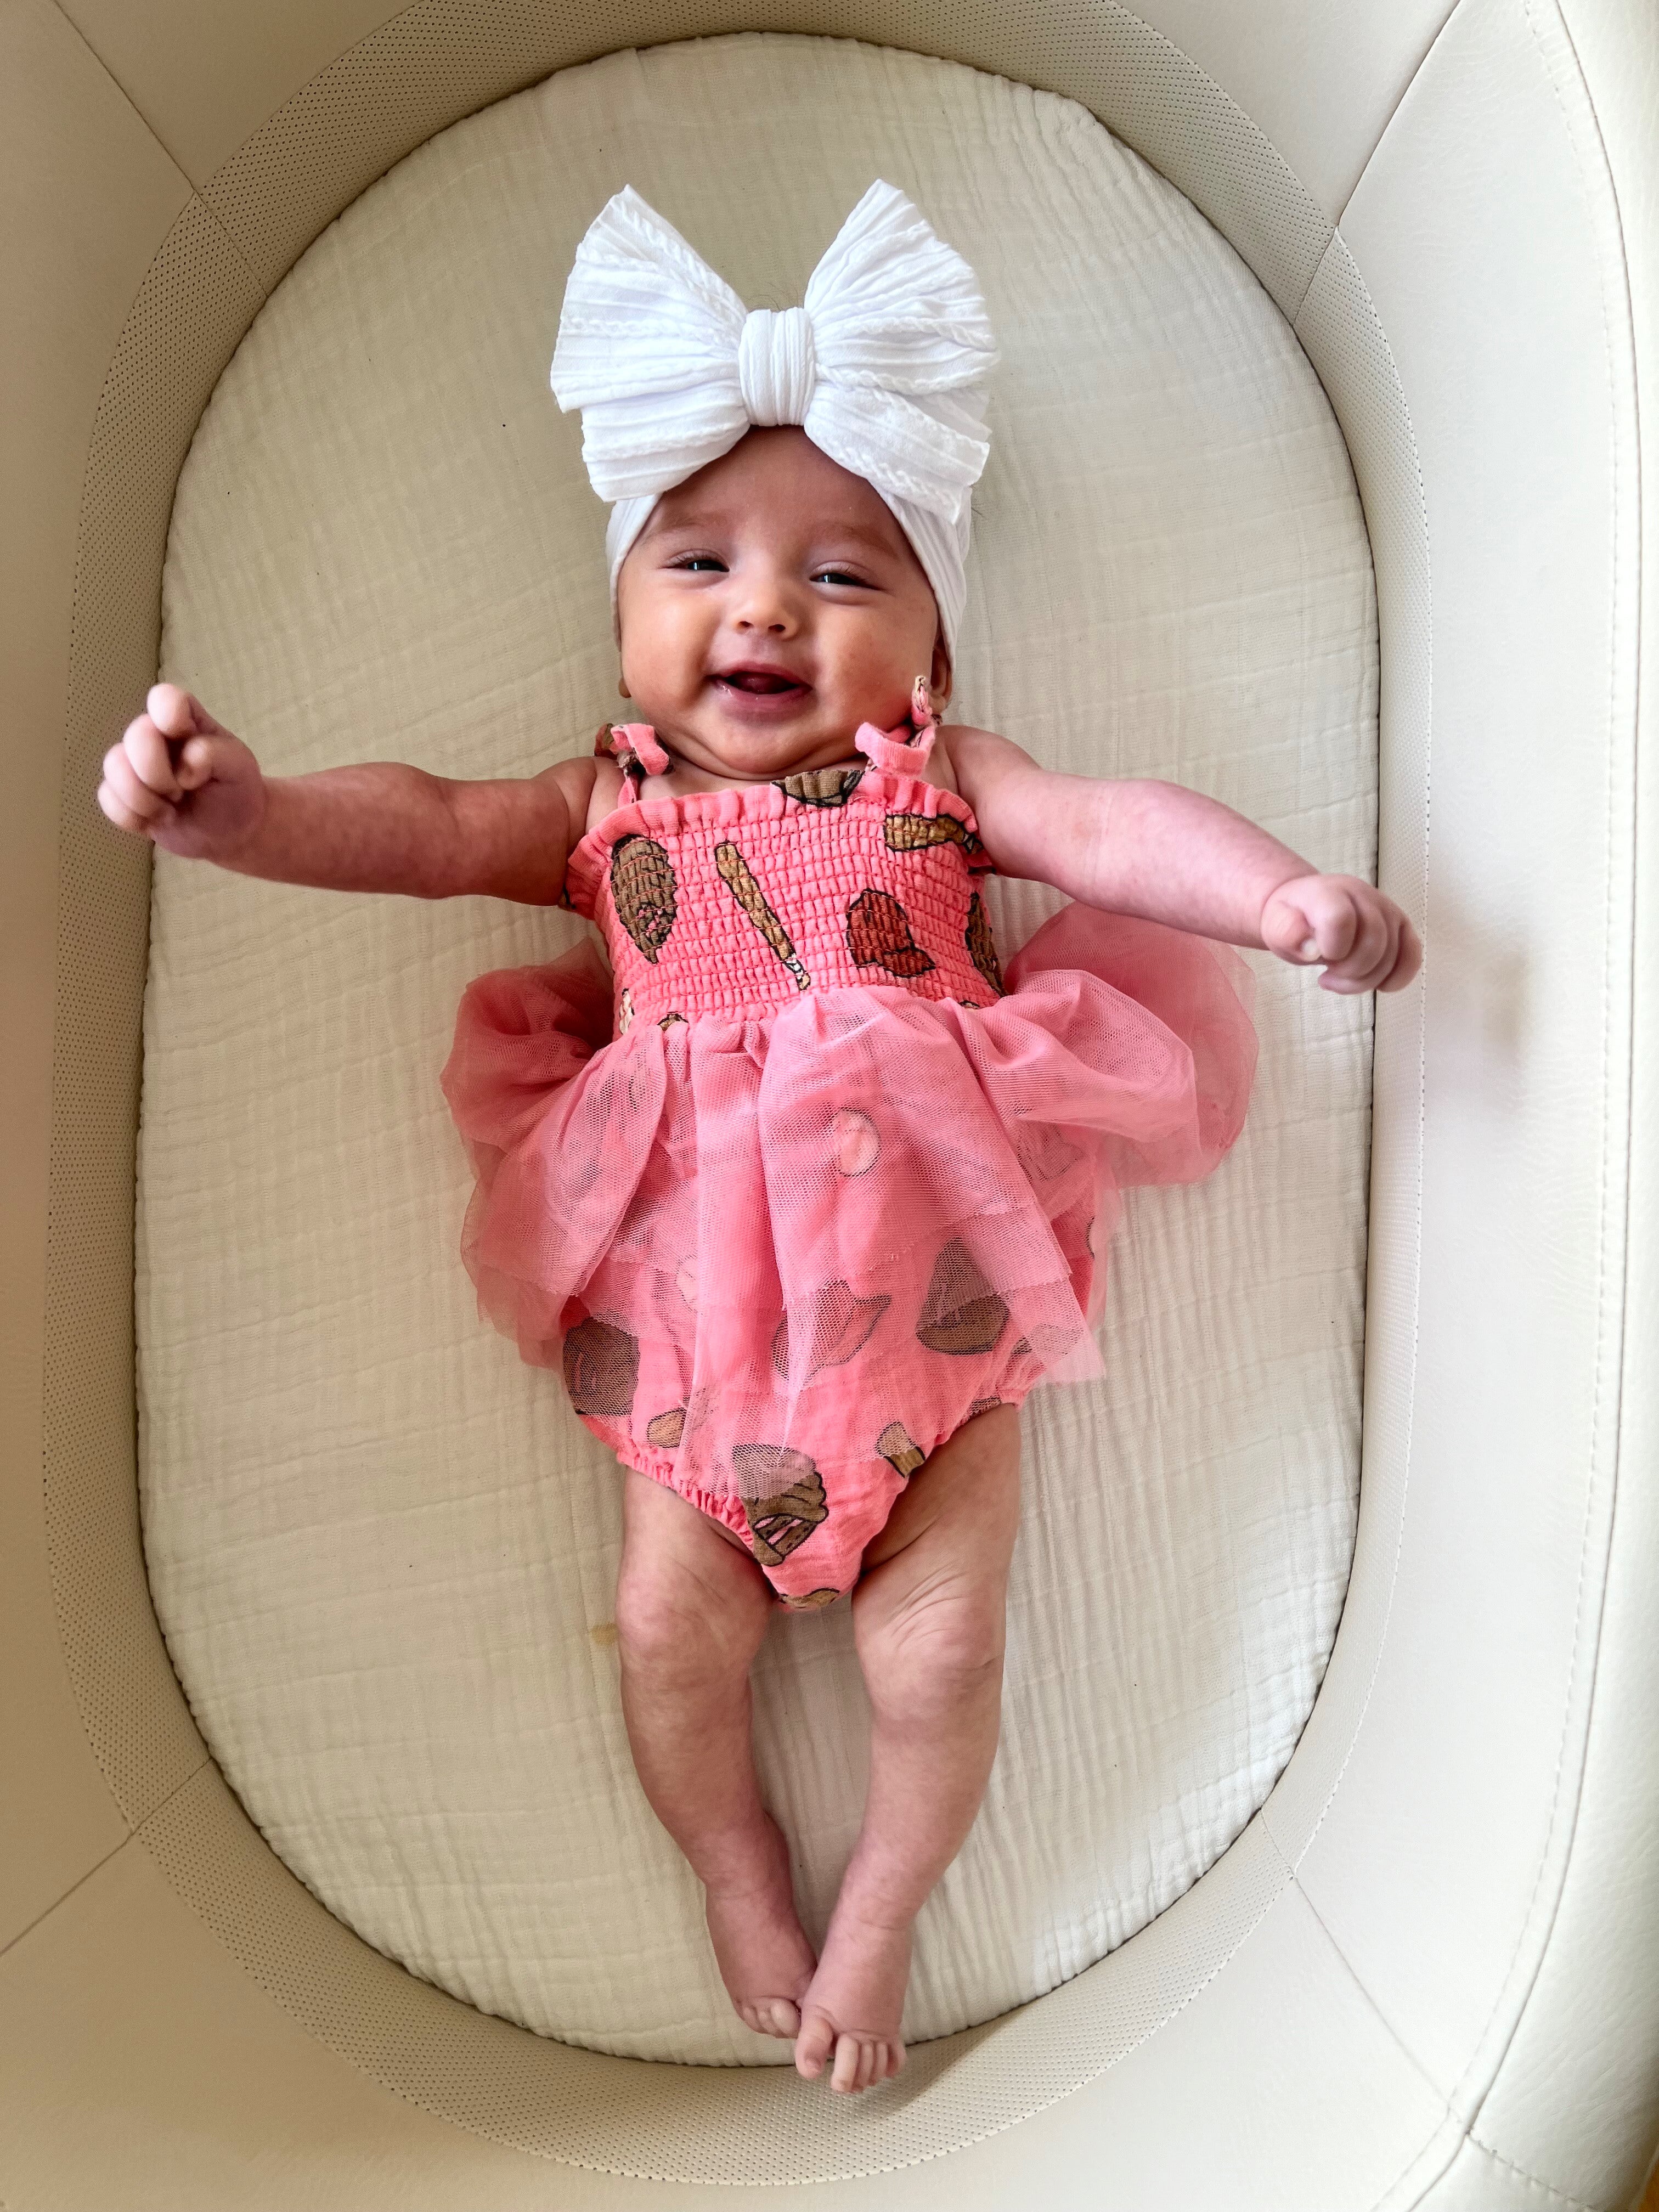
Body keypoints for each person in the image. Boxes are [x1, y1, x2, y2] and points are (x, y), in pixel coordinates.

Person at [97, 182, 1419, 2098]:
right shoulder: (599, 806)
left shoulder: (945, 784)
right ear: (624, 612)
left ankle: (883, 1898)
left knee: (941, 1659)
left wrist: (1283, 897)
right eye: (698, 562)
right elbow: (422, 821)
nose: (766, 608)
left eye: (845, 576)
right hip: (694, 1349)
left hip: (941, 1317)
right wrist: (255, 814)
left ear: (935, 645)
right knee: (664, 1631)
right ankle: (734, 1865)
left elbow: (1123, 829)